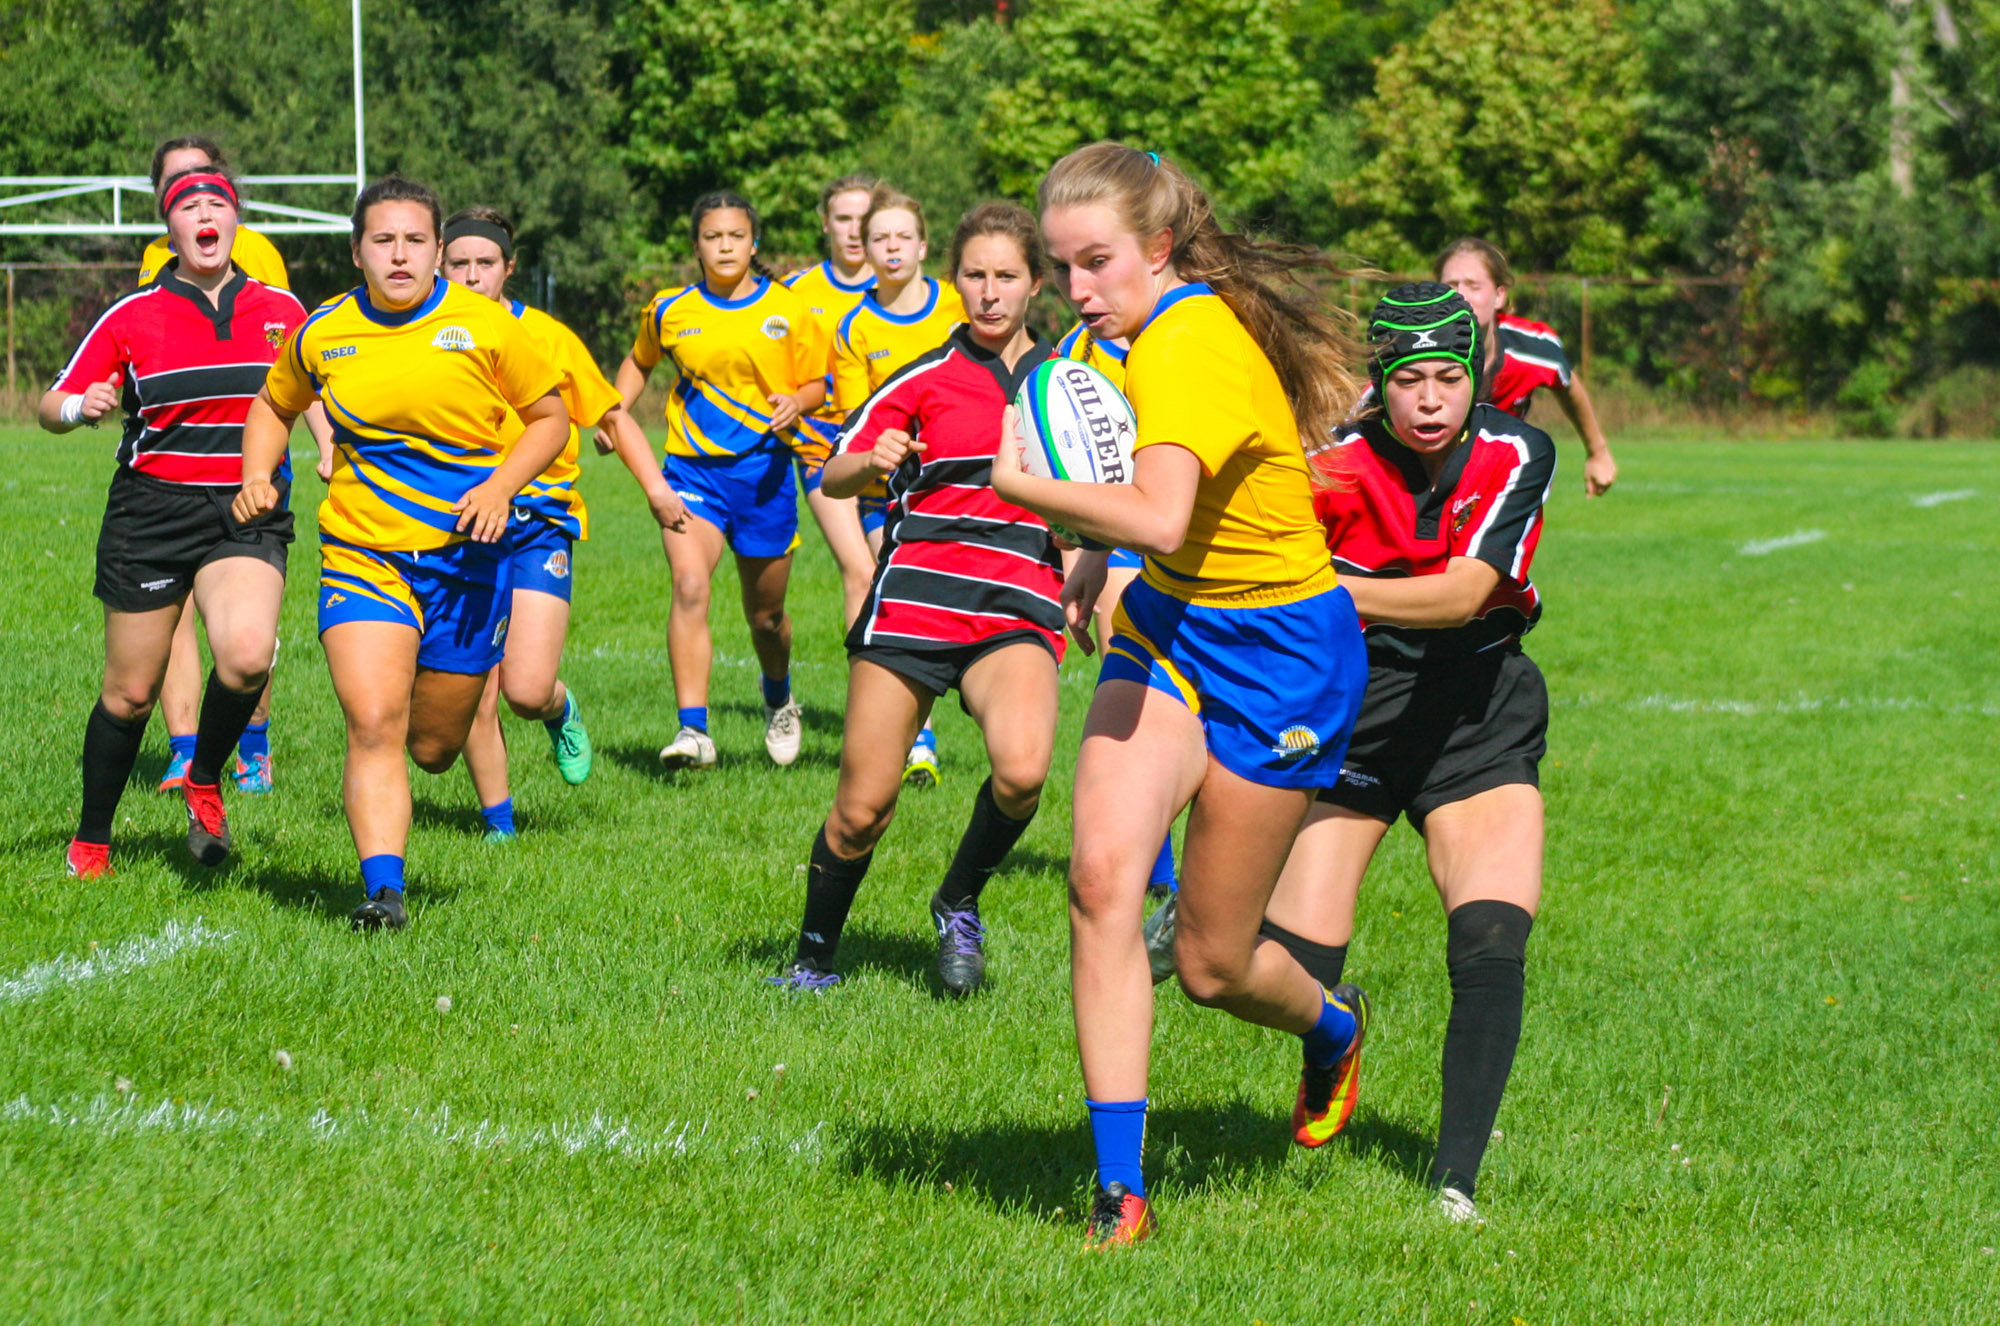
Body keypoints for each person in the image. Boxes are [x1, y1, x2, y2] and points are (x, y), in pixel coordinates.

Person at [989, 143, 1373, 1248]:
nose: (1077, 292)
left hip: (1283, 656)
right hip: (1167, 628)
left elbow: (1154, 515)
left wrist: (1024, 491)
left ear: (1160, 247)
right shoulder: (1125, 335)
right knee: (1101, 878)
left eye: (1096, 263)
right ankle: (1121, 1193)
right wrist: (1079, 554)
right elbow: (1149, 512)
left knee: (1210, 961)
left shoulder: (1192, 342)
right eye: (1062, 268)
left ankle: (1329, 1026)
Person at [1266, 282, 1555, 1226]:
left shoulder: (1516, 449)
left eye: (1448, 378)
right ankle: (1331, 1027)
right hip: (1361, 710)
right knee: (1276, 965)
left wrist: (1330, 591)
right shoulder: (1331, 466)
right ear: (1377, 387)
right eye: (1409, 381)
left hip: (1478, 705)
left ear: (1475, 379)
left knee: (1490, 938)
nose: (1431, 399)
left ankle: (1456, 1182)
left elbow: (1466, 593)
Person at [235, 175, 569, 931]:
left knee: (432, 747)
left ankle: (455, 702)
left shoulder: (484, 326)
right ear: (357, 251)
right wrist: (259, 472)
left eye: (415, 240)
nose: (399, 255)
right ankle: (384, 893)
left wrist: (501, 488)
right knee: (375, 721)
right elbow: (272, 403)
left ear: (439, 250)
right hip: (364, 553)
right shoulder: (323, 331)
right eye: (382, 240)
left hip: (469, 558)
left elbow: (551, 419)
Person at [771, 202, 1065, 997]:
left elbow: (1109, 490)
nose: (991, 293)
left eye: (1008, 276)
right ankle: (812, 959)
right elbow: (831, 475)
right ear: (955, 280)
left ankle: (958, 897)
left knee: (1023, 772)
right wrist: (872, 458)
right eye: (976, 276)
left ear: (1037, 282)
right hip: (914, 602)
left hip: (1016, 602)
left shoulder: (1071, 382)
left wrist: (1094, 571)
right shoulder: (922, 376)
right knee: (862, 810)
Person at [43, 164, 309, 878]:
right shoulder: (131, 314)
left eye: (216, 202)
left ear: (235, 220)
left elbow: (318, 384)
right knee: (130, 694)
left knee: (248, 654)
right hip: (150, 512)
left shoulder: (280, 308)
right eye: (188, 205)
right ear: (171, 227)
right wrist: (79, 408)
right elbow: (51, 401)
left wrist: (338, 447)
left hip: (245, 507)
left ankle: (204, 778)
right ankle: (93, 837)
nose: (204, 214)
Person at [440, 207, 689, 841]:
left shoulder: (548, 337)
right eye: (459, 263)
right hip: (459, 525)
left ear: (509, 268)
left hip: (538, 522)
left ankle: (559, 707)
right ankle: (500, 827)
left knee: (524, 689)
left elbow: (611, 417)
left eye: (485, 264)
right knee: (476, 685)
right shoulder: (427, 335)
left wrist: (656, 489)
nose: (471, 277)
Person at [609, 191, 823, 772]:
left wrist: (795, 403)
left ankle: (778, 696)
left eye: (735, 236)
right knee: (689, 584)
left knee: (767, 618)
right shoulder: (670, 309)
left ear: (754, 244)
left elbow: (818, 385)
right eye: (712, 237)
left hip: (765, 479)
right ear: (697, 245)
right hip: (691, 473)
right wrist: (615, 412)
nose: (724, 246)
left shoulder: (789, 309)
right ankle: (693, 730)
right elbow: (637, 362)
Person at [138, 136, 308, 796]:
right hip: (169, 472)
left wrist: (320, 437)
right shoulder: (154, 260)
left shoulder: (258, 252)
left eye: (205, 181)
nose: (195, 199)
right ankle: (185, 751)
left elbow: (293, 356)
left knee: (242, 627)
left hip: (250, 470)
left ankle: (253, 747)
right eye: (176, 183)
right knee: (172, 613)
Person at [833, 187, 969, 787]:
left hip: (958, 483)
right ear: (864, 248)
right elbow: (858, 419)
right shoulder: (854, 326)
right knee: (887, 588)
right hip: (884, 486)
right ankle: (916, 737)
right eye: (878, 238)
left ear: (922, 245)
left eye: (900, 237)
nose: (890, 248)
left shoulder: (959, 311)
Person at [1052, 320, 1178, 903]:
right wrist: (1080, 543)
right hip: (1120, 529)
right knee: (1133, 686)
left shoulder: (1191, 331)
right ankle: (1160, 877)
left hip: (1194, 527)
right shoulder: (1075, 352)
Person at [1435, 237, 1616, 497]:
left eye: (1473, 286)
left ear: (1499, 295)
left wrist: (1598, 452)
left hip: (1500, 479)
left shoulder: (1530, 350)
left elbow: (1567, 384)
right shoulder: (1413, 352)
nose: (1460, 296)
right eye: (1450, 285)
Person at [780, 175, 880, 627]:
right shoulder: (794, 293)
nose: (854, 230)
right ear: (826, 224)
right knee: (860, 570)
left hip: (888, 448)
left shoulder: (901, 290)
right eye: (843, 218)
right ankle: (864, 694)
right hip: (822, 447)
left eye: (864, 219)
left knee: (894, 572)